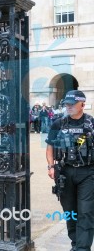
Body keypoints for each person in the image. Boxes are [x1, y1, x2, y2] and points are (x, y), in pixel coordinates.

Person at [45, 90, 94, 251]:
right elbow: (50, 147)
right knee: (70, 212)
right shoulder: (58, 123)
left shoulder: (91, 123)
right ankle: (76, 244)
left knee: (86, 212)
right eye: (67, 103)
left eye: (72, 104)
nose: (69, 106)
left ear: (82, 104)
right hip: (65, 173)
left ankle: (82, 248)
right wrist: (51, 166)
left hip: (88, 173)